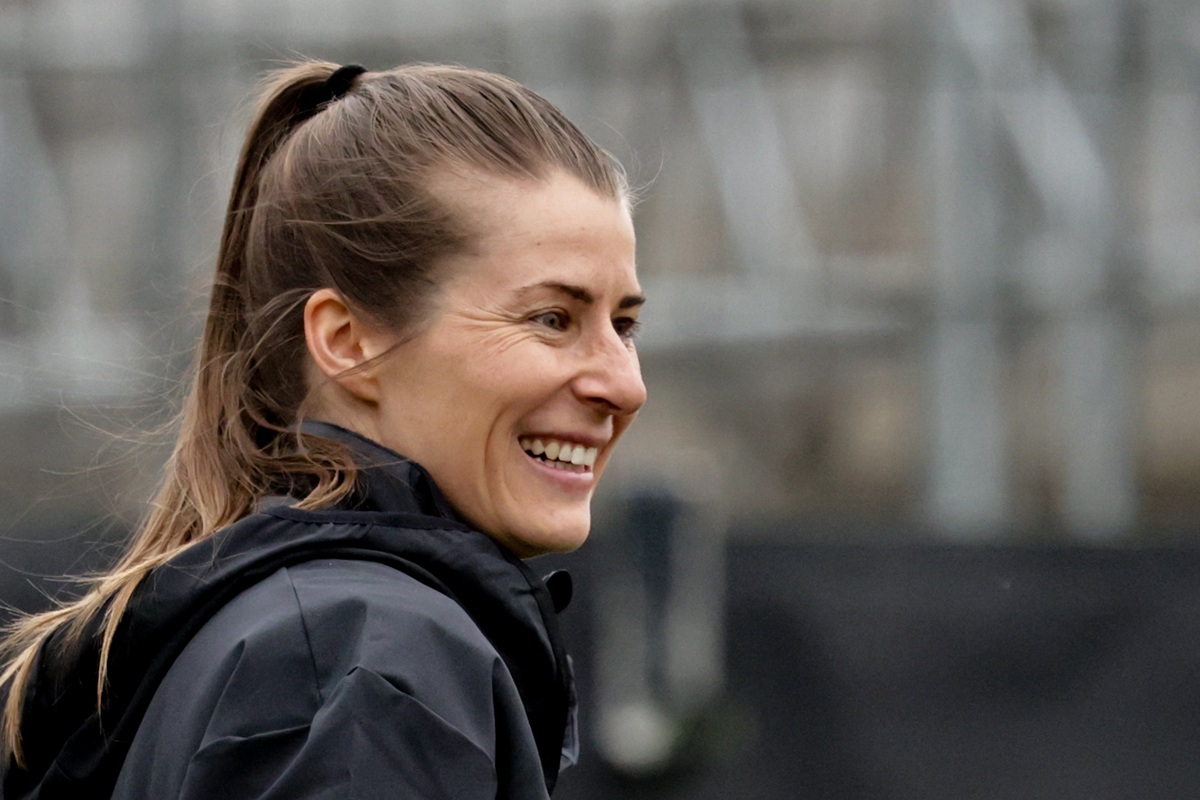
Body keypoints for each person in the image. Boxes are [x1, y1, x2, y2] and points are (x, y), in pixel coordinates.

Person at [0, 60, 646, 799]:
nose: (624, 385)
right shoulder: (369, 663)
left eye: (624, 325)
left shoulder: (299, 640)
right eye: (551, 319)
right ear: (347, 342)